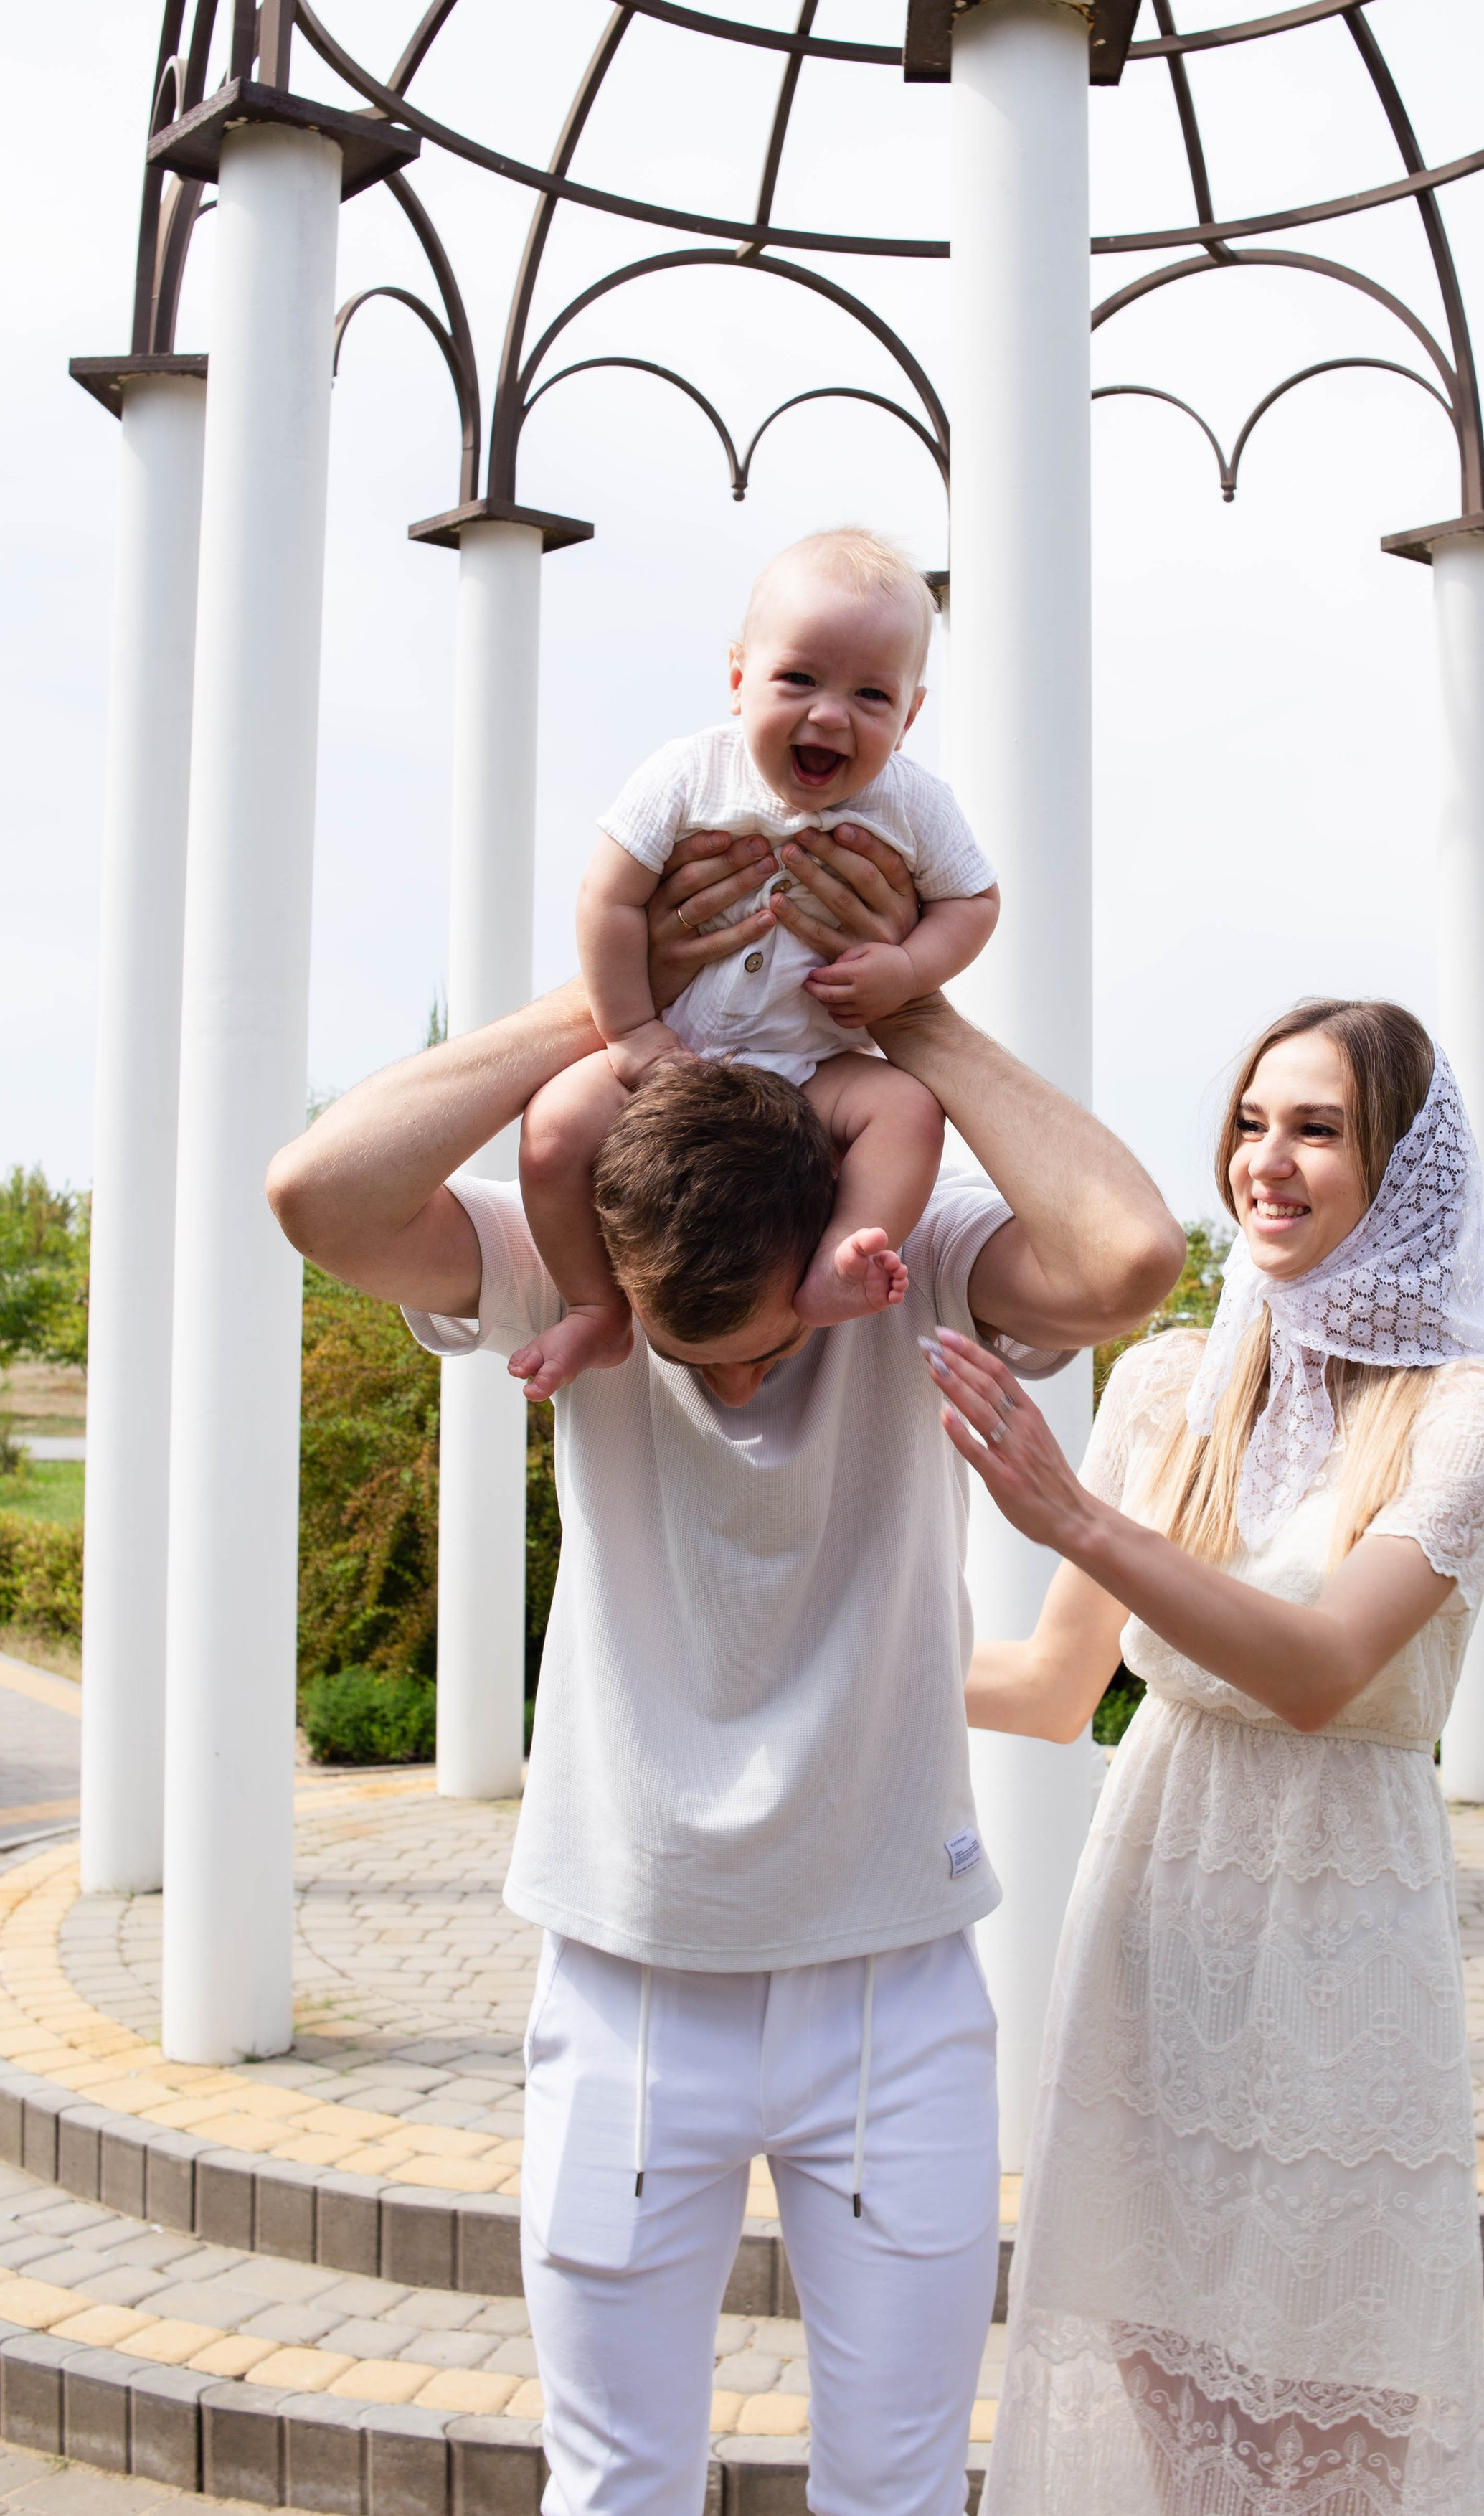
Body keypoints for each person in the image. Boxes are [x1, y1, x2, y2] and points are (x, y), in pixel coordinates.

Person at [265, 824, 1185, 2516]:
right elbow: (316, 1193)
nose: (740, 1380)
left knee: (897, 2488)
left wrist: (911, 1011)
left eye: (763, 1339)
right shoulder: (584, 1256)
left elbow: (1130, 1256)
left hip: (892, 1977)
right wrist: (620, 999)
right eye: (697, 1350)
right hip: (627, 1968)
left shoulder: (905, 1256)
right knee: (614, 2484)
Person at [919, 999, 1484, 2516]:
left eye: (1316, 1128)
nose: (1266, 1159)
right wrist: (809, 1670)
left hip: (1342, 1936)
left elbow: (1327, 1668)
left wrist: (1076, 1519)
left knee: (1334, 2415)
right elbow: (1052, 1689)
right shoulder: (1171, 1383)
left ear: (1397, 1167)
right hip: (1155, 1910)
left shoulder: (1475, 1406)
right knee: (1159, 2376)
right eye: (1251, 1123)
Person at [511, 528, 999, 1399]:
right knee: (551, 1134)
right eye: (798, 679)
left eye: (871, 695)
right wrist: (632, 1032)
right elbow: (607, 899)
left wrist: (906, 971)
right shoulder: (687, 774)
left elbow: (974, 904)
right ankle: (593, 1303)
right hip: (672, 1052)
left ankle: (837, 1263)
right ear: (738, 678)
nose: (831, 715)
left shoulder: (916, 805)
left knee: (911, 1113)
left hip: (815, 1067)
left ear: (910, 715)